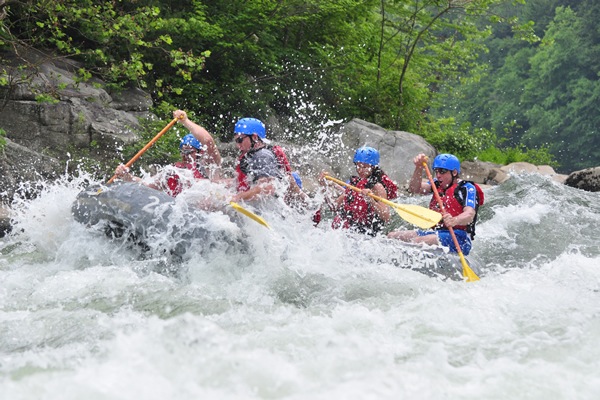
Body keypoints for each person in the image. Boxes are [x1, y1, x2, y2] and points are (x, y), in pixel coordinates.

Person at [387, 153, 484, 255]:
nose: (438, 175)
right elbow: (414, 189)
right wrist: (419, 168)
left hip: (459, 237)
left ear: (454, 172)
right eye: (436, 171)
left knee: (418, 242)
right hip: (437, 232)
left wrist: (455, 220)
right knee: (393, 236)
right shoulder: (436, 184)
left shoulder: (467, 188)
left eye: (442, 172)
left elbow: (469, 214)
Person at [114, 109, 222, 197]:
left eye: (189, 151)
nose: (185, 154)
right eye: (183, 151)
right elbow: (147, 184)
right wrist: (127, 177)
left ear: (200, 152)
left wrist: (185, 121)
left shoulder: (210, 167)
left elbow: (208, 141)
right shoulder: (173, 171)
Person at [315, 146, 398, 236]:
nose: (360, 170)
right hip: (348, 230)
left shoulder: (377, 187)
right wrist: (324, 187)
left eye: (365, 167)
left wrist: (371, 200)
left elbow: (386, 217)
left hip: (366, 233)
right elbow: (334, 206)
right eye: (358, 165)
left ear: (373, 167)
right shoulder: (355, 183)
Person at [229, 117, 299, 204]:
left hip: (274, 210)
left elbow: (268, 188)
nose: (238, 145)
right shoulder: (253, 155)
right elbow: (241, 182)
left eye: (240, 140)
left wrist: (238, 197)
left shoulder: (262, 156)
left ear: (254, 137)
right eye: (236, 141)